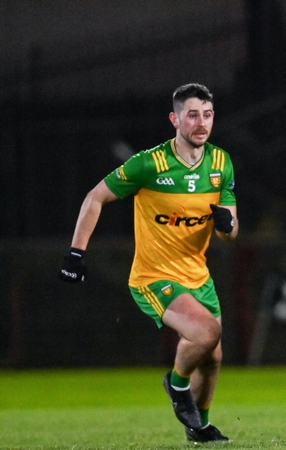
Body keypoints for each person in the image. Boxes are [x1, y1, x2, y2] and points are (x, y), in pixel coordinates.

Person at [58, 83, 237, 443]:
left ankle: (198, 428)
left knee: (213, 357)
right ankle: (176, 383)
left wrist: (226, 225)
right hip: (154, 277)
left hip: (198, 276)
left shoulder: (221, 163)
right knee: (206, 333)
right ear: (174, 119)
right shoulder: (149, 164)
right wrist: (76, 253)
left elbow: (229, 231)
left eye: (207, 114)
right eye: (192, 115)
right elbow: (95, 198)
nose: (201, 123)